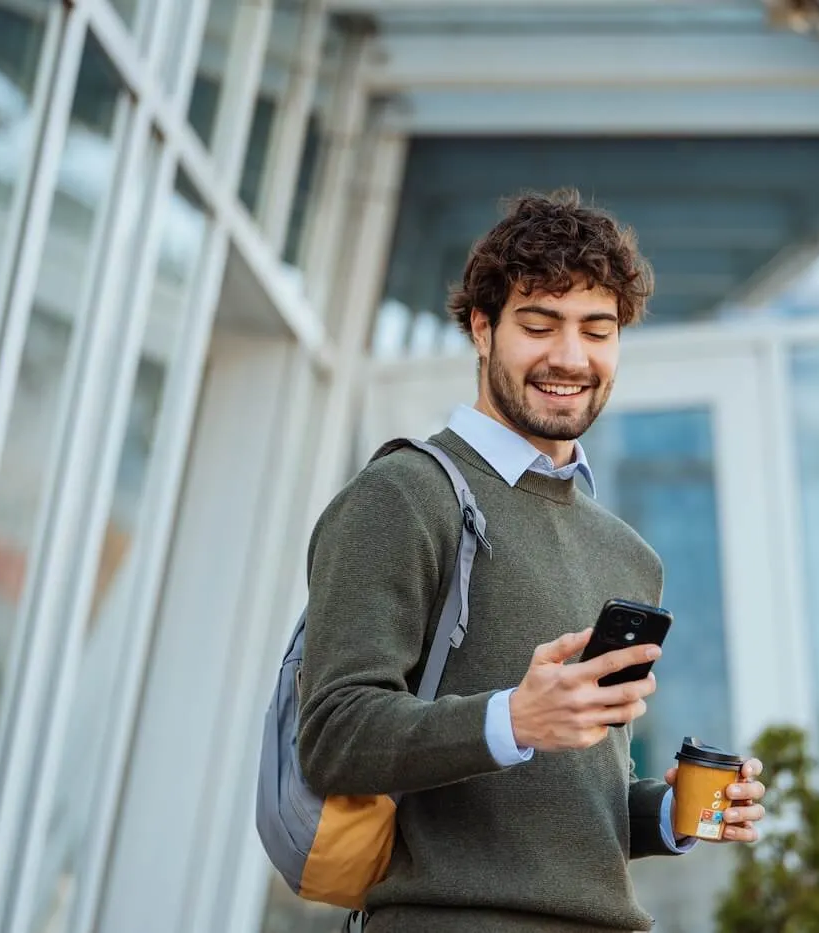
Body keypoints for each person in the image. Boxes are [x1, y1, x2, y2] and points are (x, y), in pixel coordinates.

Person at [297, 189, 766, 932]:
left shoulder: (626, 552)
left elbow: (571, 801)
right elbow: (332, 735)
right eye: (539, 324)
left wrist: (670, 811)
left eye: (597, 330)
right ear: (482, 329)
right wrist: (512, 717)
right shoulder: (404, 495)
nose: (570, 357)